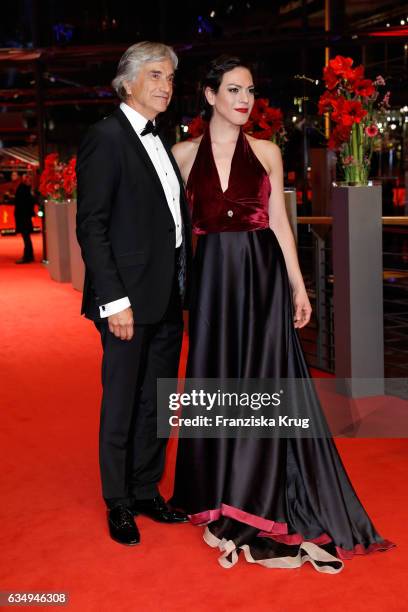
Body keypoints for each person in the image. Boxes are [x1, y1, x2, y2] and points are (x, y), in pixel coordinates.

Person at [169, 56, 394, 572]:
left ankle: (259, 491)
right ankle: (217, 490)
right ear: (208, 96)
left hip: (261, 278)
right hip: (211, 286)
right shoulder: (182, 155)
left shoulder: (267, 152)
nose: (244, 99)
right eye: (232, 90)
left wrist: (298, 286)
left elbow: (279, 225)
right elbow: (172, 231)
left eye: (249, 89)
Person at [76, 42, 191, 546]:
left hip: (167, 294)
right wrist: (113, 299)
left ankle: (146, 489)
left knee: (158, 401)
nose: (166, 85)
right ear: (127, 82)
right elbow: (92, 226)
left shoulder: (159, 139)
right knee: (122, 402)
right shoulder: (107, 137)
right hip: (126, 300)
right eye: (156, 76)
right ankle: (118, 501)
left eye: (169, 77)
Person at [14, 173, 35, 264]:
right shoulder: (26, 189)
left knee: (26, 237)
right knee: (26, 237)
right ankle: (29, 255)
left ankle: (27, 256)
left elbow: (21, 203)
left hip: (23, 217)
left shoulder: (23, 189)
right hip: (25, 217)